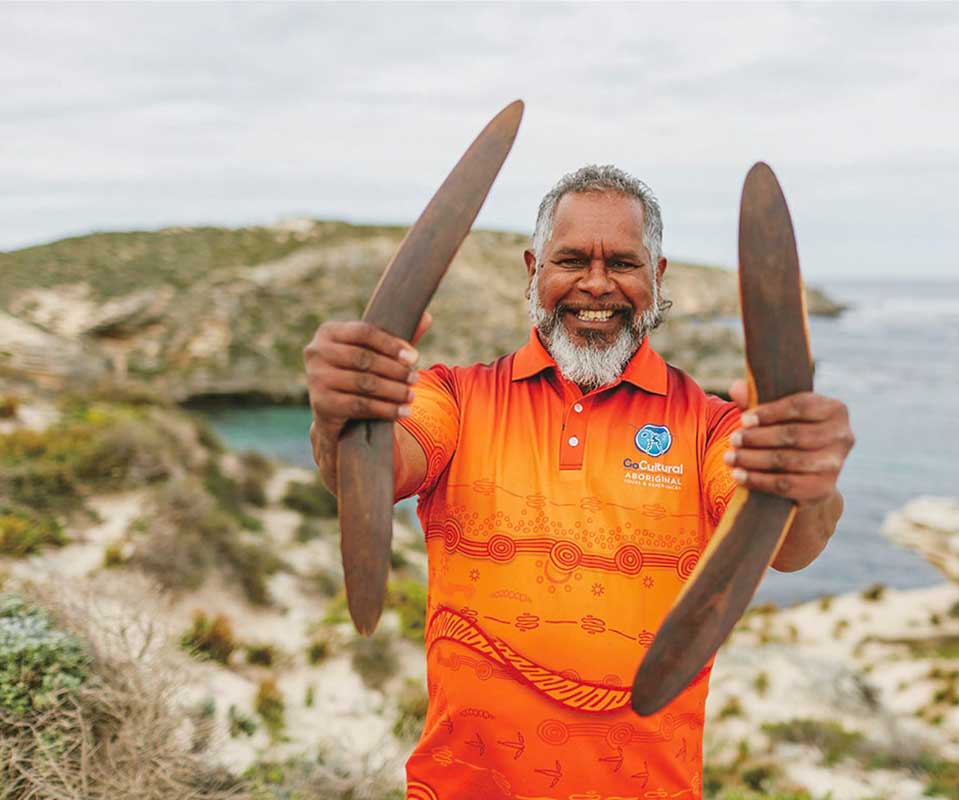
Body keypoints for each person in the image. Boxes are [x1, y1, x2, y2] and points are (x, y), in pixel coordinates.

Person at [304, 165, 854, 799]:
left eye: (623, 262)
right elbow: (367, 476)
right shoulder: (456, 397)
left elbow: (788, 543)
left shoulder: (709, 427)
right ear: (534, 269)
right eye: (570, 260)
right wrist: (338, 414)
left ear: (657, 276)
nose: (597, 285)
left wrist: (807, 477)